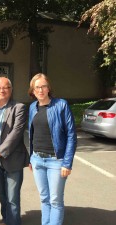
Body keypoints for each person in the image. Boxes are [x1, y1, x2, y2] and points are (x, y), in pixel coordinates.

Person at [28, 73, 77, 225]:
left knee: (55, 200)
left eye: (43, 86)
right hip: (37, 159)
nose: (41, 90)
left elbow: (71, 135)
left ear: (49, 88)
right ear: (33, 90)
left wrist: (67, 163)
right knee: (44, 198)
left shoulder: (61, 105)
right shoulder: (32, 107)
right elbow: (32, 134)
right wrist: (31, 158)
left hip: (56, 161)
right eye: (37, 87)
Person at [0, 77, 29, 225]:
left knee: (12, 197)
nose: (1, 90)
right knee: (1, 194)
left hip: (12, 158)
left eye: (5, 87)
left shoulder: (19, 107)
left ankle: (13, 222)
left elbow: (16, 133)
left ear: (11, 90)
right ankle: (6, 219)